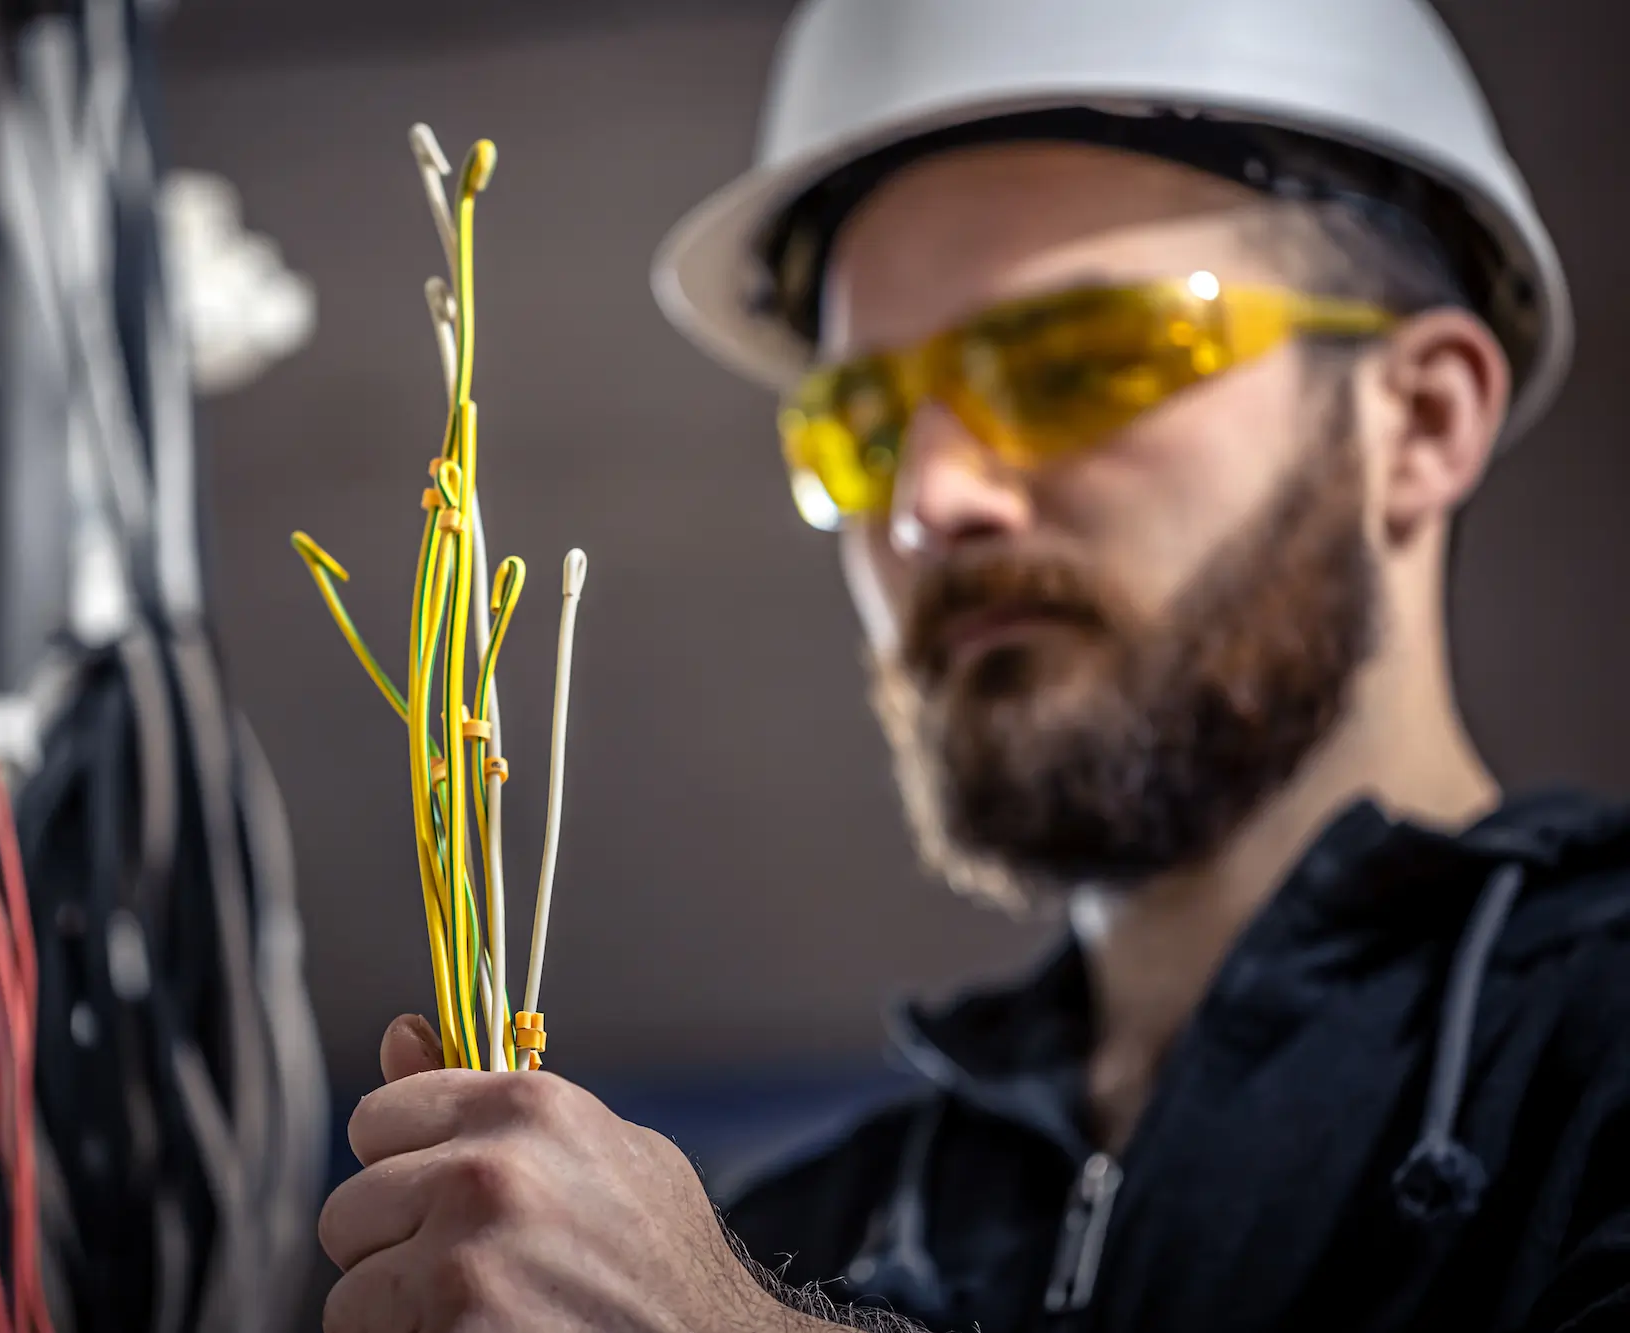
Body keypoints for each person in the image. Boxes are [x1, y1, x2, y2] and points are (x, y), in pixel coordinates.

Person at [315, 1, 1630, 1329]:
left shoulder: (1593, 1063)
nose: (931, 498)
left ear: (1420, 420)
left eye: (1070, 365)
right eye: (862, 426)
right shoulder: (804, 1235)